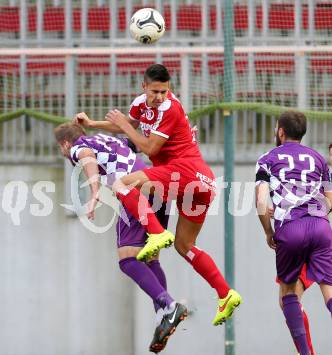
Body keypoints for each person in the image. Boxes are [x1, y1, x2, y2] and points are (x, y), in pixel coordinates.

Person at [75, 63, 242, 332]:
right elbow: (128, 124)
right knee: (185, 246)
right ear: (144, 87)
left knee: (121, 184)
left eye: (164, 91)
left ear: (169, 89)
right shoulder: (142, 104)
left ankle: (156, 233)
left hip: (185, 171)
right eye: (155, 91)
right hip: (200, 182)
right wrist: (94, 124)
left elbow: (148, 145)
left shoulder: (170, 108)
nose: (159, 97)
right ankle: (225, 294)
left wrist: (124, 126)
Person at [54, 121, 188, 354]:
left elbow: (85, 156)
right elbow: (143, 145)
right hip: (159, 191)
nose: (63, 152)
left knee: (127, 259)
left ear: (65, 143)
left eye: (61, 147)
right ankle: (162, 316)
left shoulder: (79, 146)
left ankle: (170, 306)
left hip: (136, 193)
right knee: (150, 257)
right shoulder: (110, 140)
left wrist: (94, 192)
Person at [256, 110, 332, 355]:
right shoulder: (319, 159)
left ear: (280, 131)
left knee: (287, 293)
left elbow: (261, 203)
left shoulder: (267, 159)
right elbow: (330, 199)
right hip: (322, 227)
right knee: (329, 291)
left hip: (290, 229)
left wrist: (268, 231)